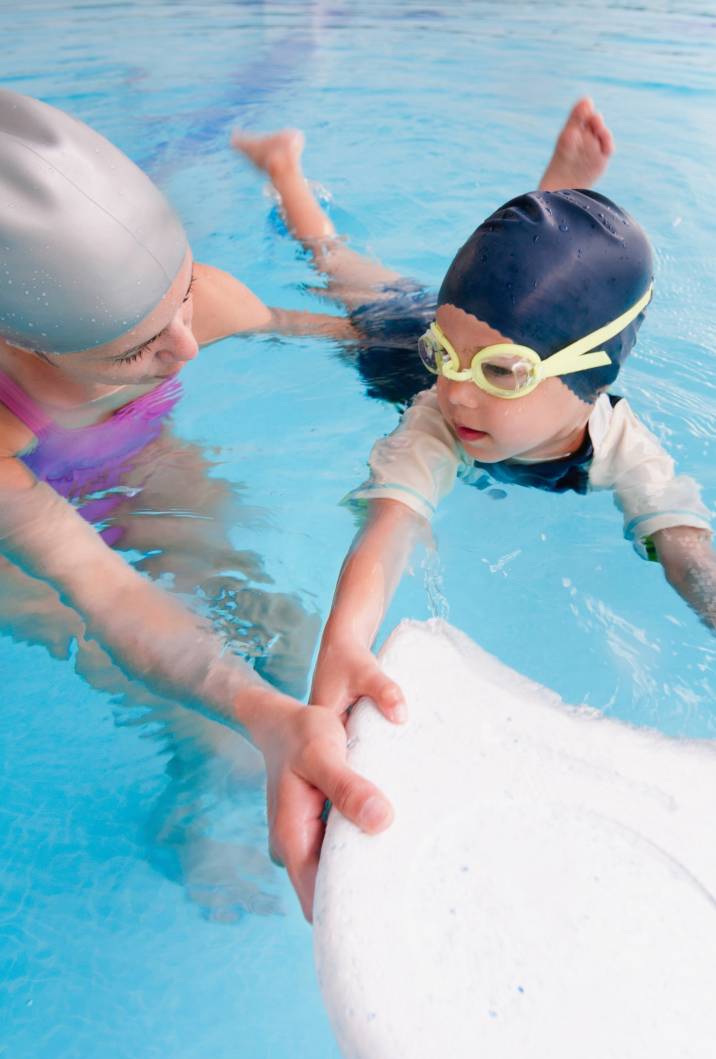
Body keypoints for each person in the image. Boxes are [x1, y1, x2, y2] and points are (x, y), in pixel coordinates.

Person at [0, 88, 612, 919]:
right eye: (140, 348)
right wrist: (256, 716)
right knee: (166, 692)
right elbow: (107, 593)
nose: (187, 343)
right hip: (17, 530)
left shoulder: (196, 303)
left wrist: (504, 367)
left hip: (137, 454)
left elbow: (370, 343)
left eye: (181, 297)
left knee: (285, 641)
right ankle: (185, 802)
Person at [310, 187, 716, 901]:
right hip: (391, 345)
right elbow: (390, 528)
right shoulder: (436, 413)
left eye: (503, 371)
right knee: (343, 281)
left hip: (465, 318)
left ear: (593, 377)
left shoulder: (618, 441)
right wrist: (344, 640)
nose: (460, 393)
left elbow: (684, 546)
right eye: (450, 359)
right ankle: (289, 182)